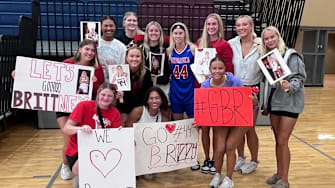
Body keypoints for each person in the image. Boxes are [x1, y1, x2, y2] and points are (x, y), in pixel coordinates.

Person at [201, 57, 258, 188]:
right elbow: (203, 109)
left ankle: (229, 178)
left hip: (239, 119)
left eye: (220, 68)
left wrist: (254, 104)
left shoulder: (234, 81)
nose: (217, 71)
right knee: (219, 149)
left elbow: (248, 101)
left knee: (230, 146)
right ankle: (217, 174)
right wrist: (199, 120)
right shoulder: (205, 86)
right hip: (221, 120)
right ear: (210, 70)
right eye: (214, 68)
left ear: (225, 70)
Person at [260, 26, 306, 188]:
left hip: (289, 103)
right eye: (266, 38)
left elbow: (300, 78)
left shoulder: (291, 55)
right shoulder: (267, 58)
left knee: (282, 140)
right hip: (275, 104)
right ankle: (279, 173)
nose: (270, 40)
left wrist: (289, 86)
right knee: (278, 141)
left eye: (272, 37)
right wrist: (265, 103)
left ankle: (285, 180)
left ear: (278, 37)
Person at [56, 39, 104, 180]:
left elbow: (100, 93)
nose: (89, 52)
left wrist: (95, 83)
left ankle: (84, 165)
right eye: (87, 49)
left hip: (84, 108)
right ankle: (66, 165)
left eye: (92, 50)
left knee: (84, 138)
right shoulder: (67, 64)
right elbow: (53, 81)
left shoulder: (98, 68)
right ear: (80, 49)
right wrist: (20, 75)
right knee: (68, 137)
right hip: (65, 106)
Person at [195, 13, 234, 174]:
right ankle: (207, 158)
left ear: (219, 26)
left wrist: (216, 76)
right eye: (208, 24)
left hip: (219, 94)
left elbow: (229, 71)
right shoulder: (200, 43)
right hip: (203, 91)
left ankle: (217, 161)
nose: (211, 27)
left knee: (218, 130)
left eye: (214, 24)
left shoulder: (224, 45)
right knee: (204, 129)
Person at [63, 83, 122, 188]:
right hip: (78, 149)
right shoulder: (84, 106)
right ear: (98, 94)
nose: (105, 98)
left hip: (102, 150)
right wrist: (80, 129)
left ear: (114, 98)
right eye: (103, 94)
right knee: (82, 169)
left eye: (109, 96)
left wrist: (120, 133)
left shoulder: (115, 113)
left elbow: (116, 137)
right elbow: (67, 129)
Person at [228, 15, 262, 174]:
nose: (241, 28)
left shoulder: (261, 45)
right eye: (238, 25)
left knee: (250, 128)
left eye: (244, 25)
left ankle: (254, 160)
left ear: (251, 26)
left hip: (252, 90)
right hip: (235, 89)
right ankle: (241, 157)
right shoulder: (231, 44)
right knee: (236, 127)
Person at [166, 22, 196, 121]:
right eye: (175, 33)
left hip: (190, 90)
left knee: (192, 124)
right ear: (172, 35)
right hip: (175, 90)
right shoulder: (169, 51)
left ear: (185, 34)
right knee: (178, 124)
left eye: (180, 33)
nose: (178, 36)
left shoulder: (192, 49)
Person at [117, 46, 153, 125]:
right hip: (123, 107)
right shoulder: (120, 71)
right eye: (131, 56)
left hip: (140, 108)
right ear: (127, 57)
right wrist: (123, 112)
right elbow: (120, 99)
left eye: (137, 56)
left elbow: (147, 95)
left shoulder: (146, 73)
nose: (134, 59)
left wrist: (136, 113)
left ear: (141, 59)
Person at [142, 21, 170, 100]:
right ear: (147, 32)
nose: (154, 33)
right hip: (147, 85)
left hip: (163, 85)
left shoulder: (166, 47)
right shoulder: (142, 48)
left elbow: (169, 69)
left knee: (164, 107)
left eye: (156, 31)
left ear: (160, 33)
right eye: (151, 31)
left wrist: (160, 79)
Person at [98, 15, 126, 82]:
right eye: (106, 26)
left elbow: (123, 67)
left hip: (114, 83)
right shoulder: (94, 43)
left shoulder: (121, 47)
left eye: (111, 26)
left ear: (115, 27)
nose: (108, 28)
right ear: (101, 27)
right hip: (97, 81)